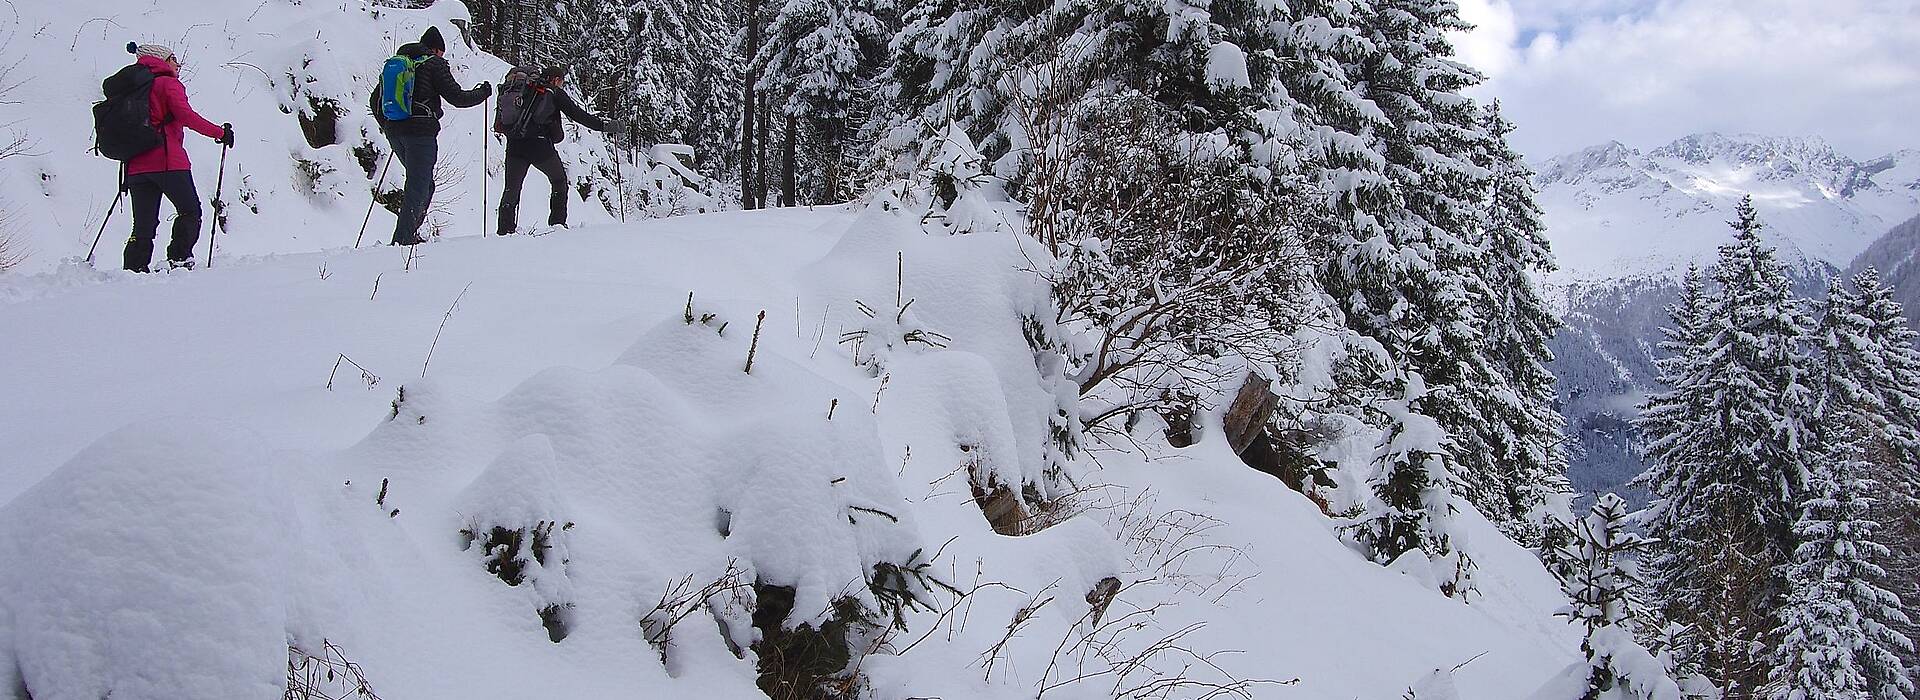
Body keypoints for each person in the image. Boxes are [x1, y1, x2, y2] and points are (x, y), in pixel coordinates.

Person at [369, 26, 490, 246]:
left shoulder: (397, 64)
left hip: (396, 131)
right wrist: (482, 93)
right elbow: (458, 97)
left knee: (424, 183)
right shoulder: (433, 63)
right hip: (421, 133)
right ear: (436, 49)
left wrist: (388, 125)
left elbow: (374, 99)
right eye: (441, 53)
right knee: (419, 184)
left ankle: (408, 234)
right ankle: (403, 240)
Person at [122, 44, 232, 272]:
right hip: (167, 162)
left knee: (143, 223)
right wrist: (219, 133)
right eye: (173, 58)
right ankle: (179, 259)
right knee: (190, 210)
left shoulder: (130, 88)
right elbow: (186, 116)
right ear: (161, 60)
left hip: (135, 166)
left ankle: (134, 268)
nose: (177, 63)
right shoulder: (167, 84)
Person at [495, 65, 619, 236]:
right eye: (561, 82)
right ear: (556, 79)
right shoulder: (552, 92)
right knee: (559, 181)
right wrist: (605, 126)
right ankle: (557, 225)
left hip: (515, 145)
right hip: (540, 146)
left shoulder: (521, 89)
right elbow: (578, 115)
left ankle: (504, 231)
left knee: (511, 188)